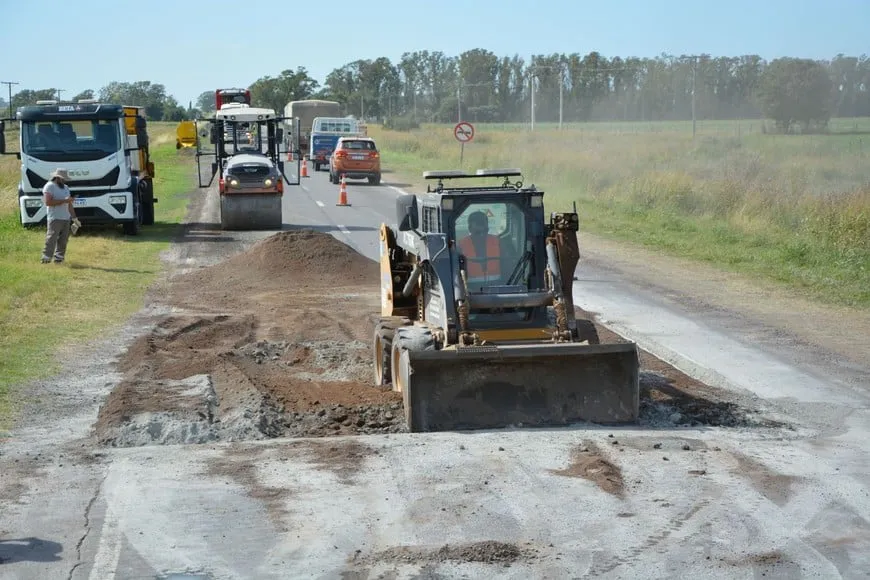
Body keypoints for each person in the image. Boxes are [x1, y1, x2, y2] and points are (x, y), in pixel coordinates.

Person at [41, 168, 79, 264]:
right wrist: (64, 201)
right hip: (55, 217)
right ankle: (46, 258)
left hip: (66, 218)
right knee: (52, 238)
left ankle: (59, 258)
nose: (64, 181)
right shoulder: (49, 186)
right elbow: (48, 202)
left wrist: (74, 218)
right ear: (57, 178)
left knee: (64, 239)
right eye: (63, 179)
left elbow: (69, 204)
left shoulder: (65, 187)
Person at [458, 210, 501, 285]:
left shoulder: (498, 242)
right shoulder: (461, 245)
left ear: (488, 228)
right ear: (470, 228)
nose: (481, 235)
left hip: (498, 285)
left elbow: (509, 265)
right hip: (470, 289)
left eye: (484, 231)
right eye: (477, 232)